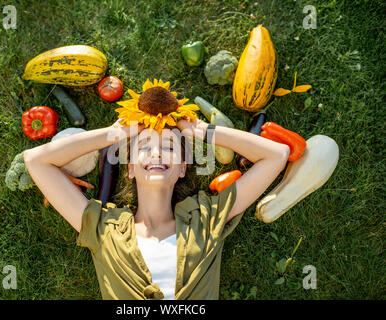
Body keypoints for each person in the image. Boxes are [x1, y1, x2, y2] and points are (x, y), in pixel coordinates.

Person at [23, 117, 289, 300]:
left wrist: (203, 131)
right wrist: (112, 134)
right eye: (145, 147)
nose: (157, 153)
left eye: (170, 147)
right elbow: (36, 161)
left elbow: (276, 155)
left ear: (182, 168)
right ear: (130, 169)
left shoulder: (206, 218)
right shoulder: (104, 229)